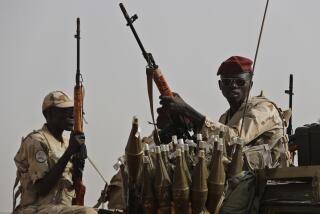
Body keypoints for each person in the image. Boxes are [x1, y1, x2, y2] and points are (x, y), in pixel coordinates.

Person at [157, 56, 291, 213]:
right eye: (227, 82)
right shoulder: (225, 118)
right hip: (236, 183)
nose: (233, 86)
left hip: (264, 184)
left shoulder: (264, 109)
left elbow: (236, 139)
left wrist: (187, 110)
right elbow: (215, 149)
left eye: (240, 82)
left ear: (250, 84)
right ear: (220, 86)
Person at [13, 91, 97, 214]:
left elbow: (73, 184)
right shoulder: (36, 141)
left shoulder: (68, 143)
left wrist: (79, 162)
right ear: (49, 114)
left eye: (72, 110)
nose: (71, 115)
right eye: (65, 110)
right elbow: (42, 189)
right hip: (37, 208)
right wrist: (69, 153)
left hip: (62, 208)